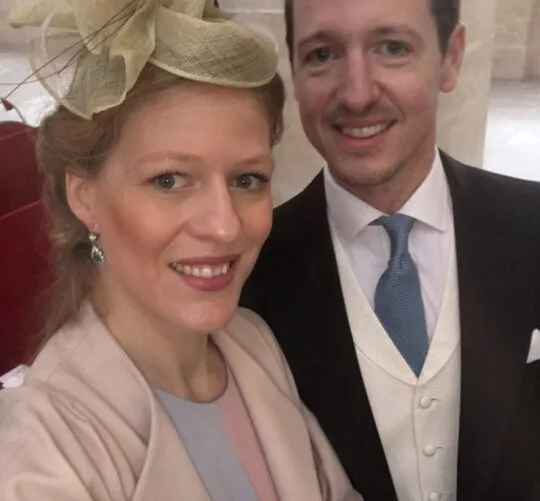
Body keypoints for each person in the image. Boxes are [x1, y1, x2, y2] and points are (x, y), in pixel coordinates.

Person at [0, 1, 361, 500]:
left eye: (247, 179)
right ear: (84, 197)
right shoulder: (45, 452)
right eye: (169, 180)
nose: (224, 226)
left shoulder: (251, 343)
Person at [241, 0, 540, 500]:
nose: (357, 94)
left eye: (393, 48)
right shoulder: (251, 275)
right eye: (322, 54)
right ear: (293, 68)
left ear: (450, 58)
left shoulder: (532, 224)